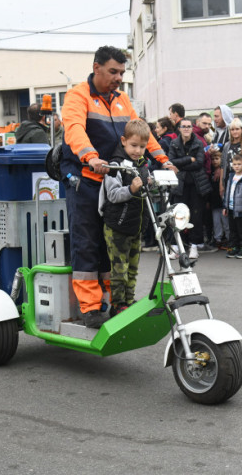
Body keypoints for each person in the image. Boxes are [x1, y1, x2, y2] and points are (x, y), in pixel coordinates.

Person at [60, 46, 173, 329]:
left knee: (114, 244)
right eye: (113, 72)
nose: (119, 78)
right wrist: (91, 156)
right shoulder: (78, 95)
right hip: (85, 181)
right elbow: (74, 128)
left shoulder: (122, 99)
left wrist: (163, 160)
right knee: (87, 243)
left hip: (116, 180)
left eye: (122, 72)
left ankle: (116, 300)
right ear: (96, 68)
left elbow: (141, 133)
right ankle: (91, 307)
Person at [99, 119, 152, 316]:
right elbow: (112, 195)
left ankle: (129, 300)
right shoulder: (115, 165)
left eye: (142, 147)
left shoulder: (143, 164)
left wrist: (151, 184)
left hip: (135, 225)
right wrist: (131, 189)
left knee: (133, 267)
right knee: (119, 269)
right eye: (134, 145)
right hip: (117, 226)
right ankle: (118, 303)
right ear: (123, 141)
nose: (138, 150)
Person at [167, 118, 210, 259]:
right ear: (179, 128)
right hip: (180, 185)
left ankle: (194, 246)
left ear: (192, 128)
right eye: (183, 126)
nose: (186, 129)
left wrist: (180, 166)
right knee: (177, 215)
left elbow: (198, 163)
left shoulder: (198, 142)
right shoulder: (174, 143)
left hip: (196, 185)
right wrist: (188, 159)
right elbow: (170, 161)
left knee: (195, 216)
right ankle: (175, 247)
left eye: (189, 126)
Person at [223, 154, 242, 258]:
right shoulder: (231, 176)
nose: (236, 166)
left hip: (241, 209)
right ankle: (234, 247)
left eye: (239, 164)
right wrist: (225, 206)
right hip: (231, 208)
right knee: (233, 230)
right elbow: (227, 192)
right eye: (234, 164)